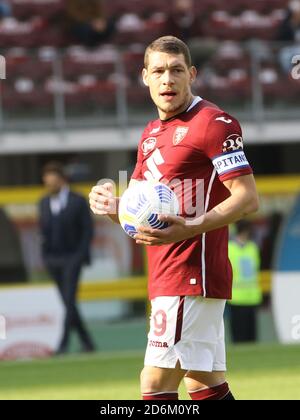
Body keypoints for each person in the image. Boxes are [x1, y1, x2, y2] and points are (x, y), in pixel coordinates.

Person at [89, 36, 259, 400]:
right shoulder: (151, 134)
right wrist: (113, 206)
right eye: (159, 71)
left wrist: (192, 227)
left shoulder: (214, 123)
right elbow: (137, 216)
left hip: (190, 274)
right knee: (204, 383)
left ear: (192, 74)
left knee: (155, 385)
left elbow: (247, 199)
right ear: (145, 77)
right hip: (167, 274)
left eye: (177, 70)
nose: (168, 79)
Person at [39, 162, 95, 355]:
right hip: (53, 260)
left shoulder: (78, 200)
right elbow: (43, 232)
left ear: (62, 180)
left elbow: (87, 231)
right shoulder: (44, 202)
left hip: (73, 258)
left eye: (53, 182)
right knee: (68, 302)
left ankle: (62, 344)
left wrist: (80, 256)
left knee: (69, 300)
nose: (50, 186)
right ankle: (87, 342)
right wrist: (45, 257)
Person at [228, 220, 262, 343]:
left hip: (252, 296)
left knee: (251, 334)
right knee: (239, 334)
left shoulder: (253, 247)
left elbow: (256, 268)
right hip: (236, 297)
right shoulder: (229, 248)